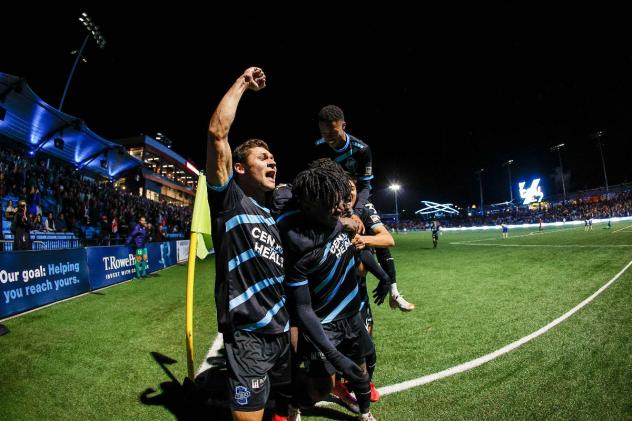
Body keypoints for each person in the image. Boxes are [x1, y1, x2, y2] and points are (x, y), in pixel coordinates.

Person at [206, 67, 293, 421]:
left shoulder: (275, 213)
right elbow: (217, 134)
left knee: (292, 401)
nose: (272, 160)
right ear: (238, 168)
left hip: (285, 330)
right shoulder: (230, 200)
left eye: (272, 158)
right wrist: (243, 82)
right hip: (248, 338)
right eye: (262, 157)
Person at [278, 161, 377, 421]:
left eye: (343, 201)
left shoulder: (333, 218)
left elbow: (359, 246)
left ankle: (366, 414)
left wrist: (387, 280)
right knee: (321, 387)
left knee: (361, 370)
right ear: (310, 204)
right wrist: (334, 355)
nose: (343, 207)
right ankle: (295, 405)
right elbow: (303, 308)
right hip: (324, 324)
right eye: (334, 204)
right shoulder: (300, 241)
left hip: (353, 317)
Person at [315, 105, 373, 210]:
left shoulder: (362, 150)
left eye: (333, 132)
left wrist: (357, 212)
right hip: (331, 201)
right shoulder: (318, 148)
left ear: (343, 126)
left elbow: (365, 187)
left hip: (357, 200)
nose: (328, 138)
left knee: (378, 227)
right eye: (324, 133)